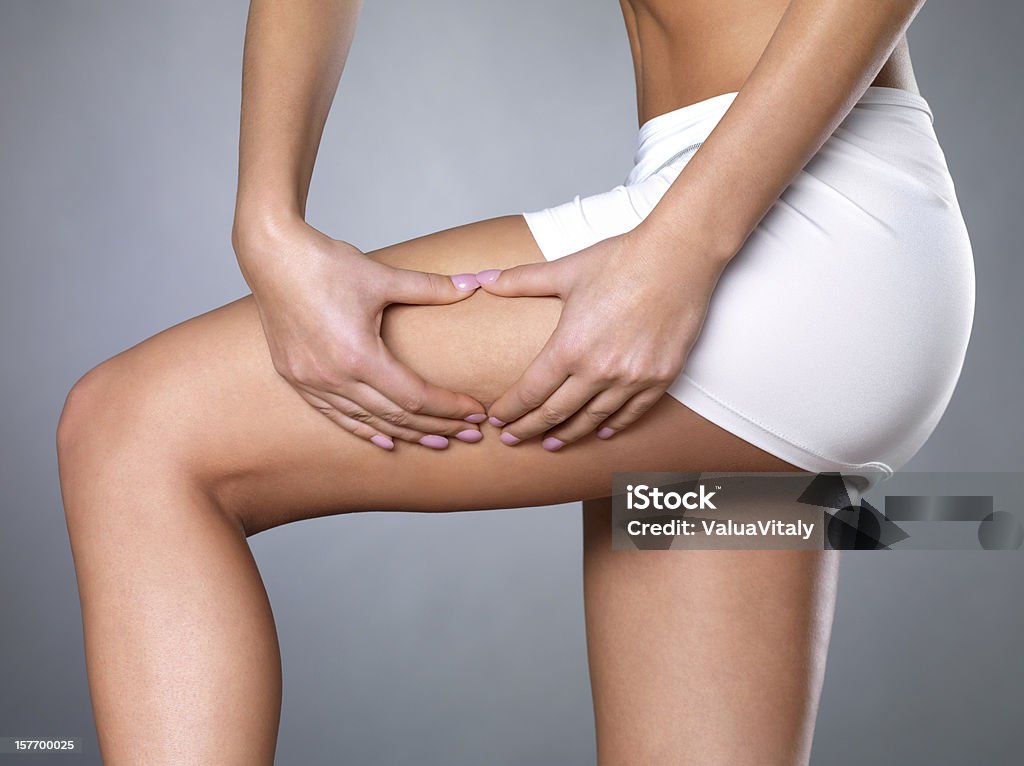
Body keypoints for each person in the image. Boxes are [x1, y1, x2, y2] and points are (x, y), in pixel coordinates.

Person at [55, 0, 974, 763]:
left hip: (785, 226)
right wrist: (266, 224)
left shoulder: (707, 241)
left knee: (133, 434)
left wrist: (685, 248)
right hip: (808, 235)